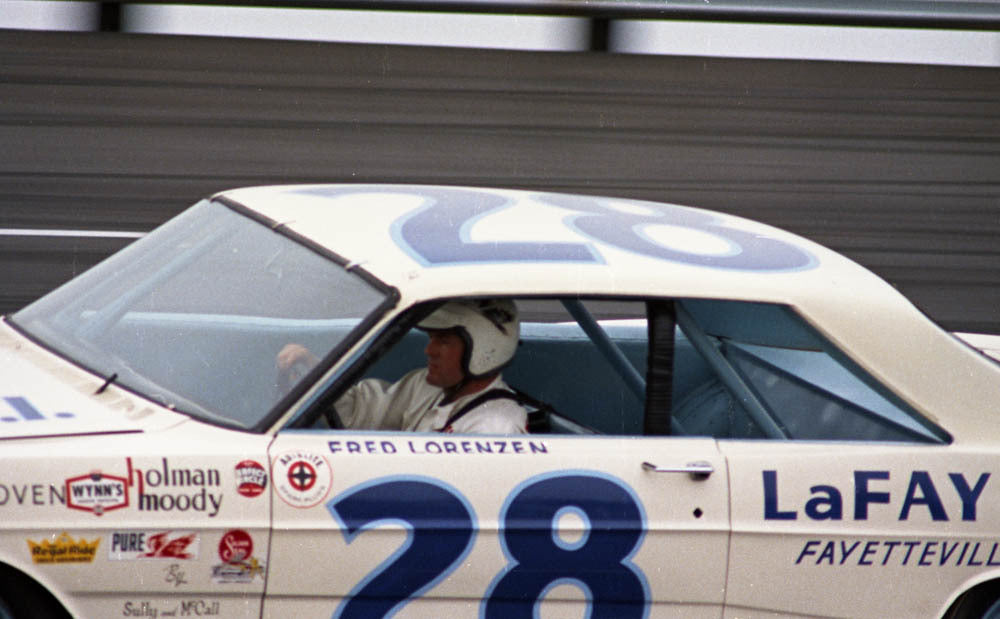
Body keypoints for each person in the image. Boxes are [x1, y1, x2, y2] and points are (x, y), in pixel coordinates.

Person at [277, 299, 527, 434]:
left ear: (484, 348)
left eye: (443, 341)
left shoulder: (495, 428)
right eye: (431, 339)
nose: (429, 350)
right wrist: (318, 371)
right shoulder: (425, 386)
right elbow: (357, 412)